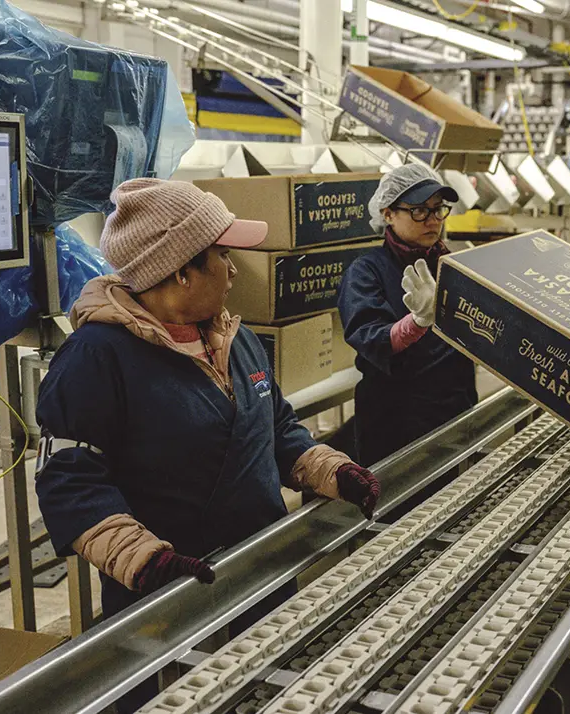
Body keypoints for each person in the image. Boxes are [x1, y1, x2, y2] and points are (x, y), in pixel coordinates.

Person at [34, 179, 380, 709]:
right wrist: (146, 561)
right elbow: (68, 479)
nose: (234, 268)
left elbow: (276, 425)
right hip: (162, 595)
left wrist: (332, 470)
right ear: (180, 270)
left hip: (258, 569)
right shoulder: (96, 357)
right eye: (222, 254)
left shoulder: (231, 335)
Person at [338, 164, 477, 467]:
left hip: (455, 407)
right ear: (388, 213)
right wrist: (415, 323)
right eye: (419, 211)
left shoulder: (452, 264)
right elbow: (370, 338)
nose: (433, 220)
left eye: (438, 209)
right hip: (396, 419)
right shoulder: (366, 271)